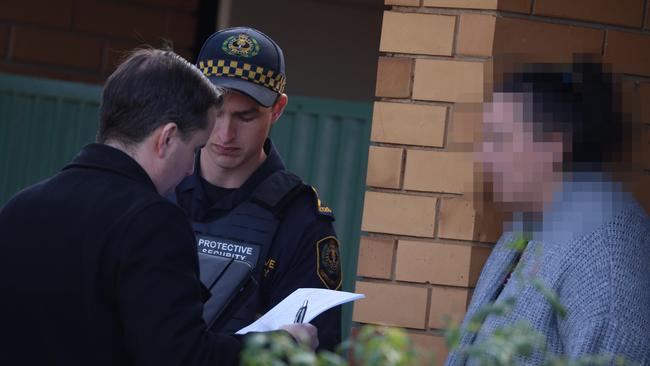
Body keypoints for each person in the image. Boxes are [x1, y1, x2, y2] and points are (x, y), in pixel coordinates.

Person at [0, 48, 316, 366]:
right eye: (195, 148)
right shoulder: (153, 222)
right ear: (166, 138)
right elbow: (184, 358)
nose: (191, 170)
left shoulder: (19, 209)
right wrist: (280, 345)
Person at [445, 62, 650, 365]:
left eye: (499, 139)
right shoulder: (527, 224)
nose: (483, 156)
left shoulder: (606, 252)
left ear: (554, 146)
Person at [169, 27, 342, 350]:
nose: (225, 133)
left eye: (245, 117)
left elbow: (318, 352)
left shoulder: (302, 221)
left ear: (277, 109)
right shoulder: (158, 189)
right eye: (216, 112)